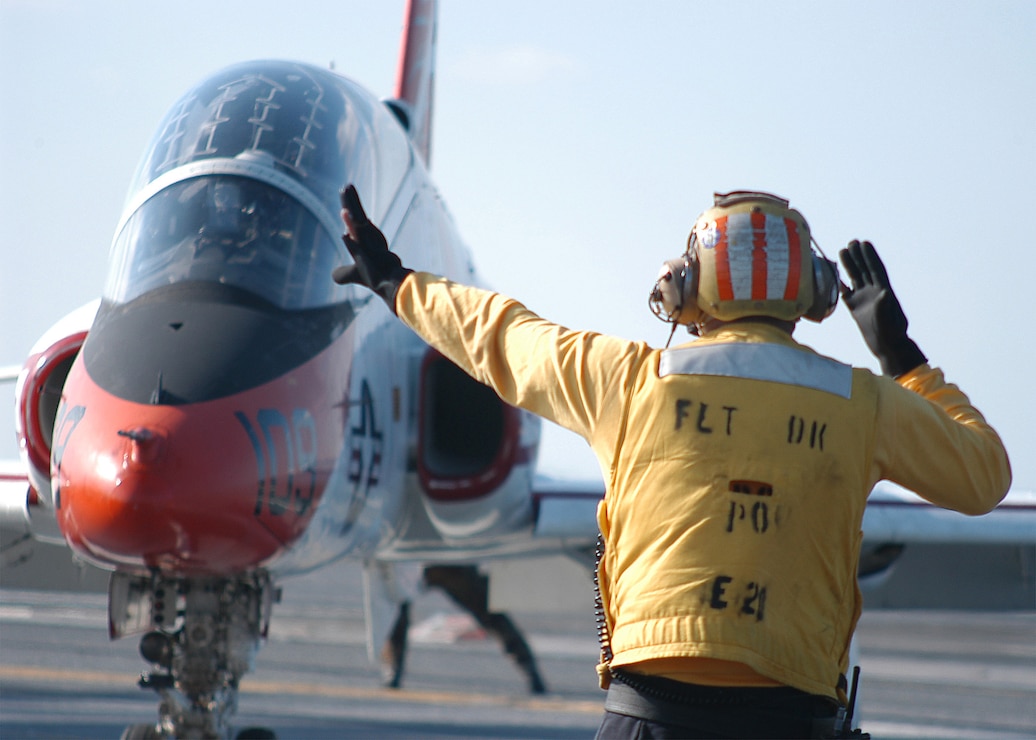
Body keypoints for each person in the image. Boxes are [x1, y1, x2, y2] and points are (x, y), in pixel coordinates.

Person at [333, 186, 1011, 739]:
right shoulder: (861, 403)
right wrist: (901, 357)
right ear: (813, 294)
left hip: (646, 714)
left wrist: (396, 282)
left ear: (684, 287)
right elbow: (983, 476)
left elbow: (504, 338)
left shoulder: (629, 381)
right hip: (791, 716)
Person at [380, 564, 548, 694]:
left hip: (429, 553)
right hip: (434, 550)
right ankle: (529, 669)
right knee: (394, 607)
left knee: (394, 604)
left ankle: (530, 669)